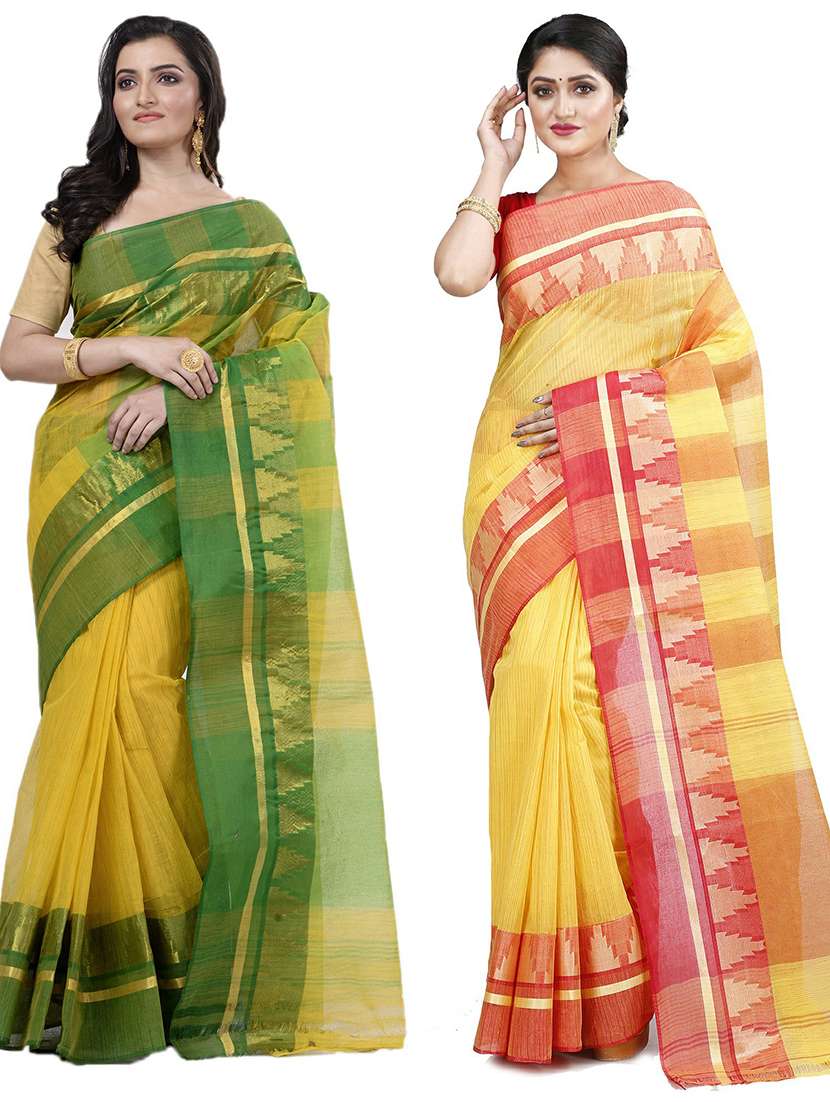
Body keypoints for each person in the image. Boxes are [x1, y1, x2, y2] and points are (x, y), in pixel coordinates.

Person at [434, 12, 830, 1088]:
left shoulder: (672, 212)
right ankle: (568, 987)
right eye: (542, 90)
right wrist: (489, 166)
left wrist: (597, 412)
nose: (562, 108)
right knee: (537, 696)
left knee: (612, 705)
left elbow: (725, 356)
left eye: (581, 88)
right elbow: (455, 276)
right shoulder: (513, 218)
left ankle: (638, 980)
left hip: (623, 479)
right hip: (518, 490)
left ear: (619, 98)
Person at [0, 15, 404, 1063]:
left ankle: (171, 963)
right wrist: (132, 349)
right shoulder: (78, 215)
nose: (143, 96)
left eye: (165, 77)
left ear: (203, 98)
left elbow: (297, 355)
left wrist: (184, 395)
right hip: (88, 487)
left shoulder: (253, 227)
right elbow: (19, 349)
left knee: (161, 695)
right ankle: (78, 971)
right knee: (98, 696)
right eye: (125, 80)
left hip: (199, 485)